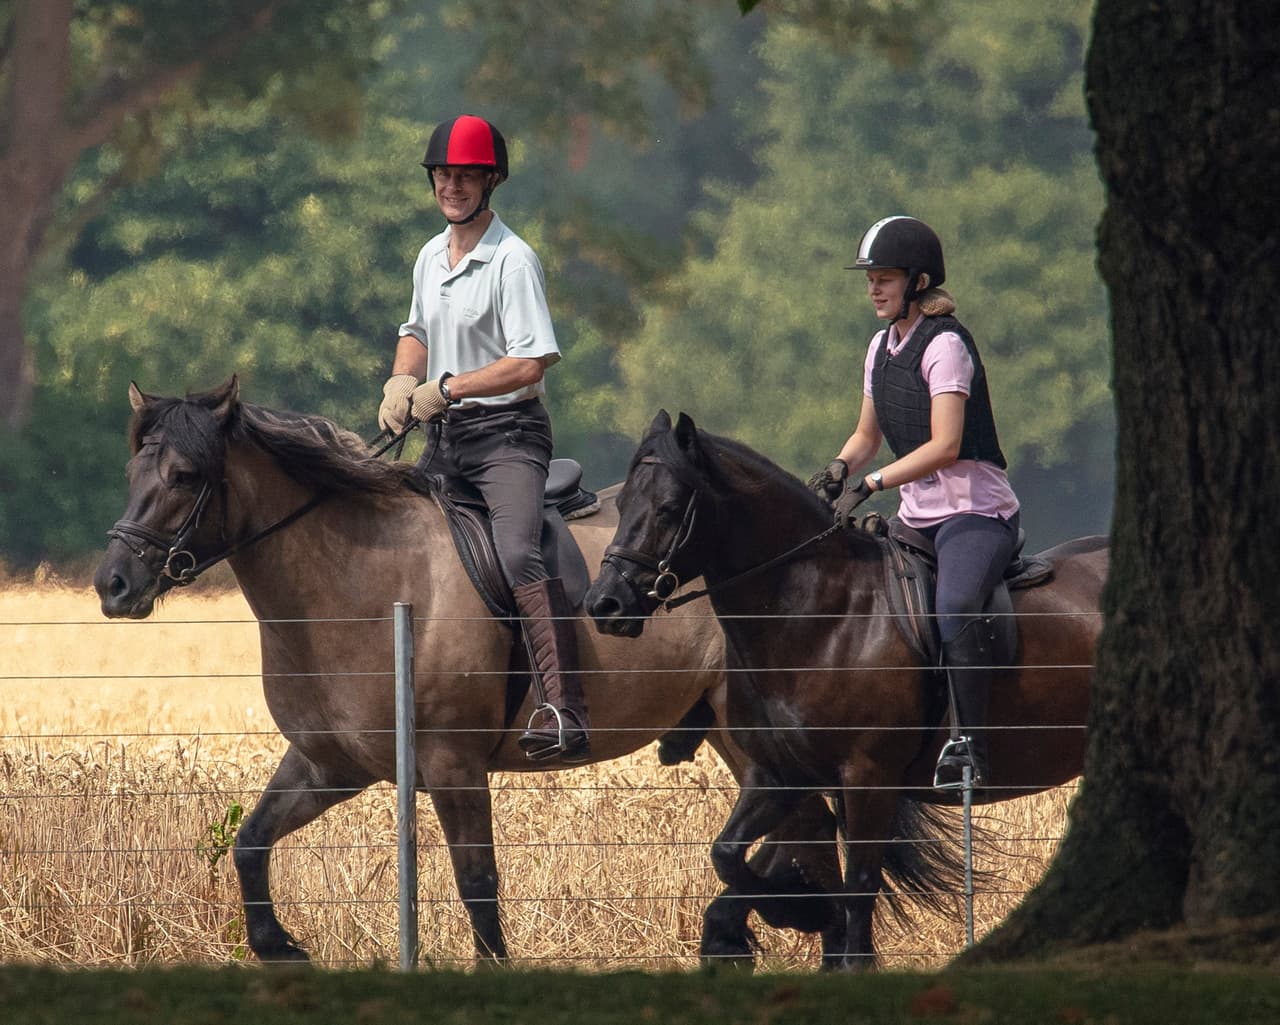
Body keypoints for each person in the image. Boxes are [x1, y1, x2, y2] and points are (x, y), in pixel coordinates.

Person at [377, 114, 590, 763]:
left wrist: (447, 386)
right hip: (445, 440)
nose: (453, 186)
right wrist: (398, 381)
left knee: (518, 550)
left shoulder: (513, 260)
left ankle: (562, 707)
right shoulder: (428, 255)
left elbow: (530, 363)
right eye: (444, 174)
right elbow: (416, 331)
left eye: (466, 176)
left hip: (508, 437)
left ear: (489, 180)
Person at [807, 215, 1020, 790]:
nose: (874, 288)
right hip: (917, 517)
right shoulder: (880, 346)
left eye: (886, 278)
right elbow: (866, 437)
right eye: (870, 278)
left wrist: (874, 484)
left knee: (951, 608)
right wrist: (837, 468)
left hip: (975, 513)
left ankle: (970, 746)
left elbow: (946, 445)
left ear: (918, 281)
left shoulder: (946, 345)